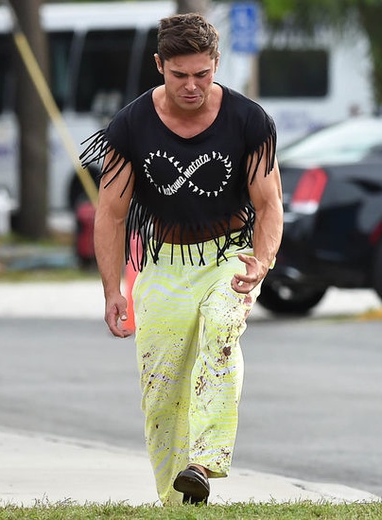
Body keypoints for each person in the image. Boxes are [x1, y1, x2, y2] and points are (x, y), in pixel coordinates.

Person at [80, 12, 283, 506]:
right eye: (179, 75)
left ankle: (204, 461)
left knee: (221, 328)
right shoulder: (130, 125)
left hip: (229, 254)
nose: (191, 86)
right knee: (162, 388)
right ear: (159, 65)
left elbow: (270, 204)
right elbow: (110, 215)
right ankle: (179, 502)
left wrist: (261, 261)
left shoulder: (248, 120)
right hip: (164, 261)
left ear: (216, 64)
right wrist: (112, 290)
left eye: (202, 74)